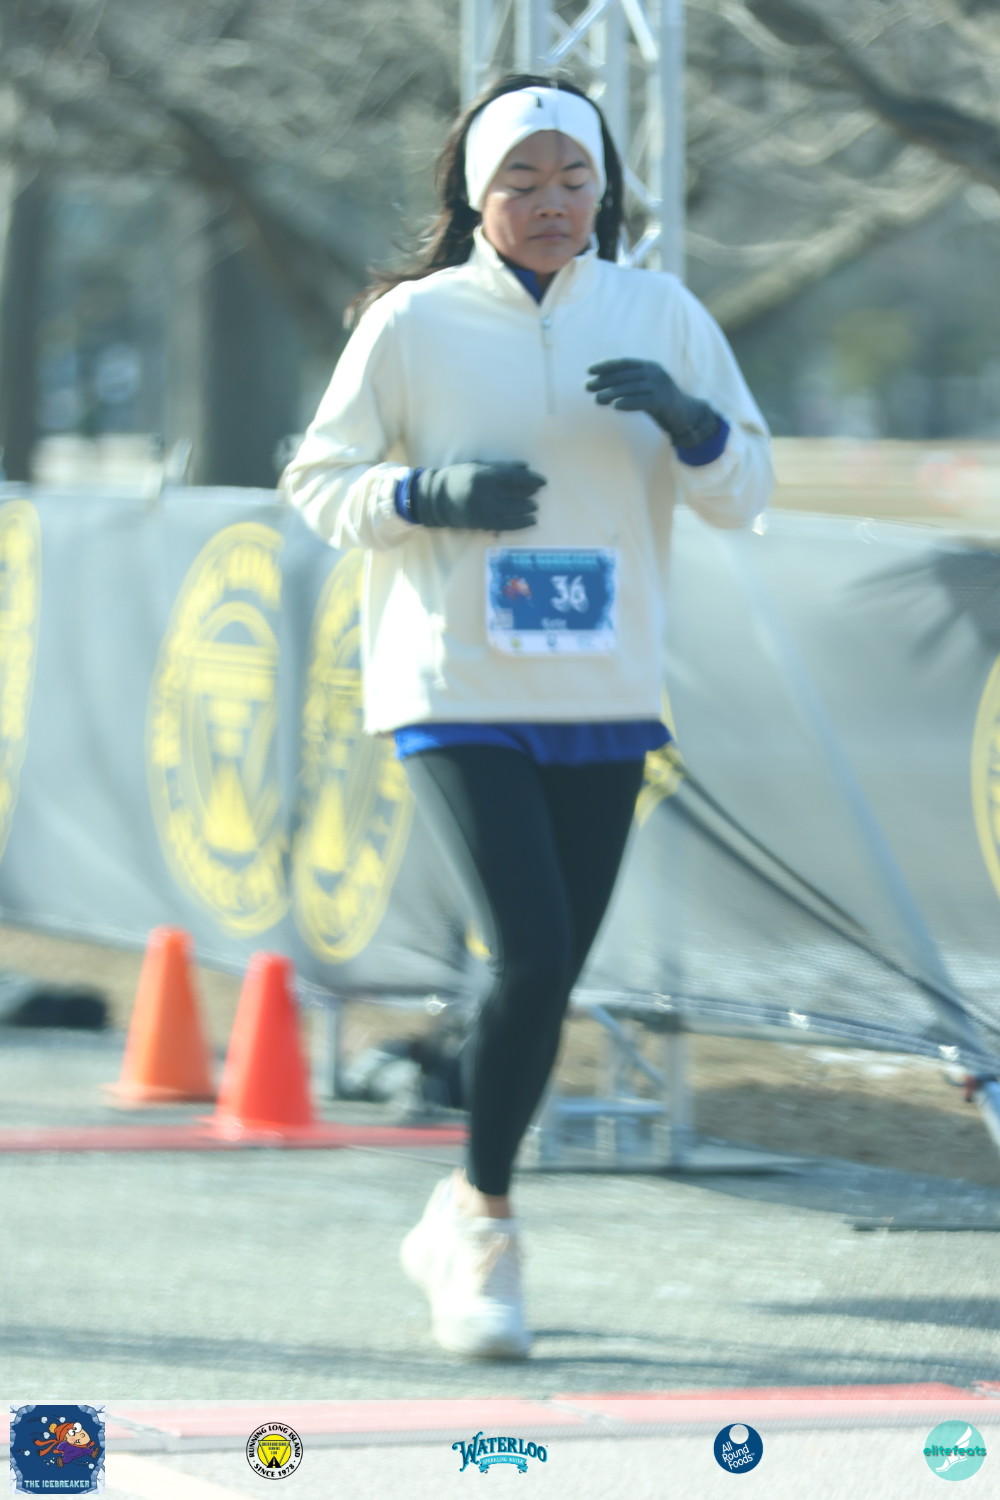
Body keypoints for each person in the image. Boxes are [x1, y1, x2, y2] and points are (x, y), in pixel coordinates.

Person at [282, 73, 773, 1360]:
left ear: (604, 190)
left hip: (604, 689)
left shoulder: (660, 312)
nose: (553, 202)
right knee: (531, 950)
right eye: (522, 181)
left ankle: (457, 1207)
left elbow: (745, 492)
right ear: (474, 193)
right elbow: (317, 482)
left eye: (574, 179)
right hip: (453, 684)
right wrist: (424, 495)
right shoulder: (412, 322)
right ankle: (491, 1229)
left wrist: (691, 422)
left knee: (548, 974)